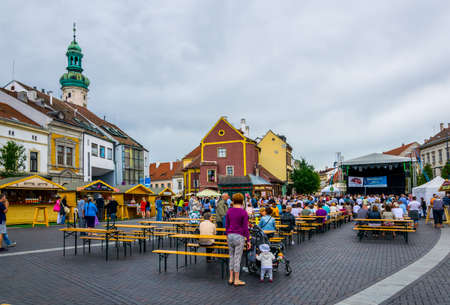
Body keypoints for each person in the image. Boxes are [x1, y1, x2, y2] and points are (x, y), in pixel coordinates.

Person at [225, 193, 250, 286]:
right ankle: (236, 279)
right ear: (242, 201)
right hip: (239, 236)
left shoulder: (229, 211)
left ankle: (230, 278)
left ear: (233, 200)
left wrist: (227, 234)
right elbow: (245, 228)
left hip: (230, 235)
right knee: (237, 257)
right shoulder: (243, 212)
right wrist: (248, 240)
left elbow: (226, 225)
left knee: (231, 256)